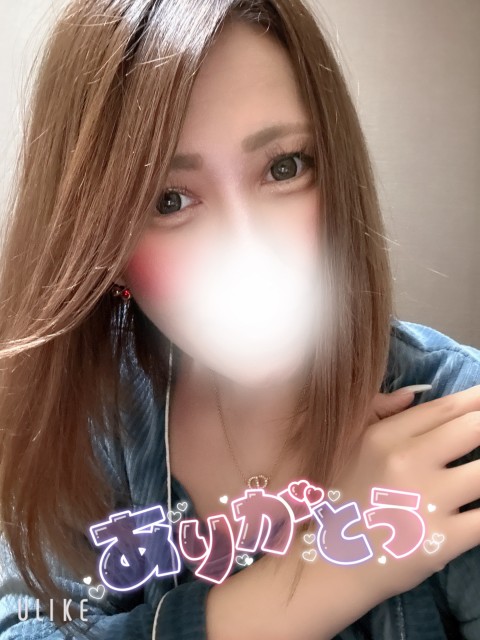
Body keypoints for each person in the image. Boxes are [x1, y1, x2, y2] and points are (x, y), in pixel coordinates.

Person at [0, 1, 479, 639]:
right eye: (169, 200)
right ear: (104, 246)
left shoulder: (455, 414)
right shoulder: (86, 404)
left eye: (285, 167)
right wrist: (332, 571)